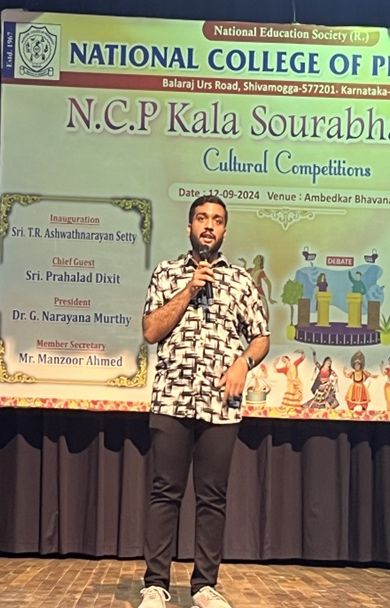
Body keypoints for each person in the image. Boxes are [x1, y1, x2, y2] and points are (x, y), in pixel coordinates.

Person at [139, 195, 270, 608]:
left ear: (225, 230)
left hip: (220, 405)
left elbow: (261, 337)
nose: (209, 225)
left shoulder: (241, 281)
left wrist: (243, 364)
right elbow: (151, 331)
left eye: (216, 220)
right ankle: (155, 585)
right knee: (165, 492)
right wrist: (189, 289)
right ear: (189, 227)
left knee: (212, 497)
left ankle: (204, 587)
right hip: (171, 399)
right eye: (201, 218)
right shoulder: (166, 273)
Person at [237, 254, 276, 321]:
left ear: (260, 263)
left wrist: (269, 298)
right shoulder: (250, 270)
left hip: (259, 294)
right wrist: (245, 263)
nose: (256, 260)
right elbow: (243, 274)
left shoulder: (260, 272)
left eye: (258, 260)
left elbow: (269, 283)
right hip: (249, 293)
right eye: (256, 258)